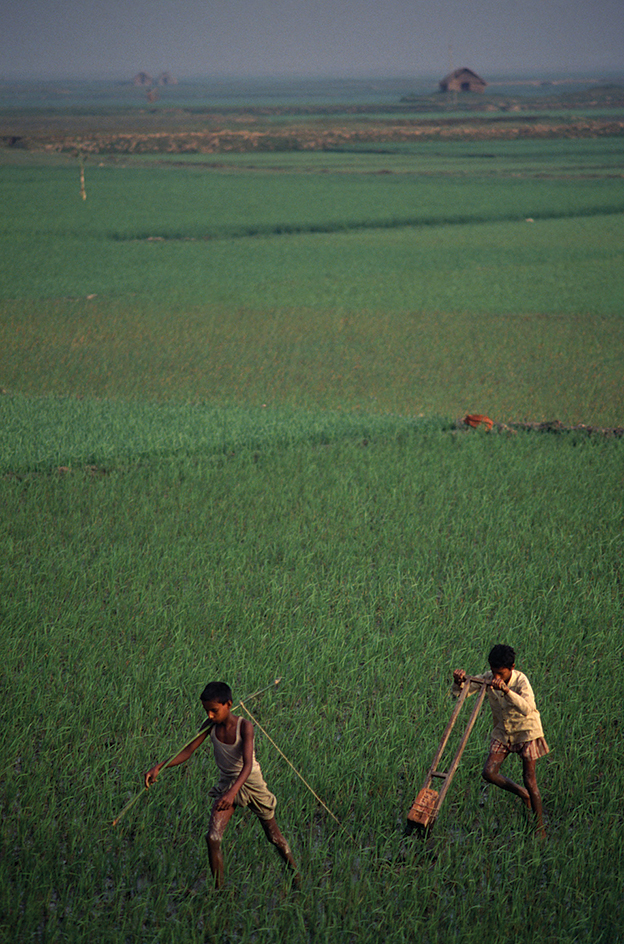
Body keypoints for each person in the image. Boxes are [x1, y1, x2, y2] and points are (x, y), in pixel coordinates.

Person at [145, 681, 298, 888]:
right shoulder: (210, 726)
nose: (210, 716)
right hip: (228, 784)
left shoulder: (245, 726)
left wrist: (231, 793)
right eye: (207, 711)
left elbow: (247, 765)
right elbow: (187, 751)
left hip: (250, 782)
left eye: (214, 711)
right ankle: (220, 891)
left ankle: (295, 876)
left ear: (229, 704)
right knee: (212, 837)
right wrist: (159, 766)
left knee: (274, 837)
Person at [453, 644, 548, 837]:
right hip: (503, 733)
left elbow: (527, 708)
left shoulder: (521, 681)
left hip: (526, 732)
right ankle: (522, 793)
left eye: (501, 674)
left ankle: (539, 828)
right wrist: (459, 682)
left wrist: (506, 690)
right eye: (494, 672)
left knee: (530, 780)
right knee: (488, 772)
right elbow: (462, 692)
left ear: (512, 667)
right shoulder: (489, 677)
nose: (496, 678)